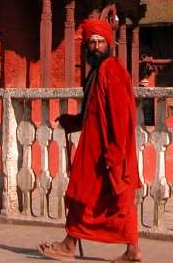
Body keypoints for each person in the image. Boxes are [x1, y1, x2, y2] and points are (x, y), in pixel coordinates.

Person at [38, 17, 141, 262]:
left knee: (119, 199)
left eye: (100, 41)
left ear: (108, 44)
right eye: (92, 42)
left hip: (109, 150)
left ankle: (132, 250)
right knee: (80, 195)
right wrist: (72, 121)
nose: (95, 46)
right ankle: (69, 243)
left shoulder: (113, 70)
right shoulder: (98, 72)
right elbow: (93, 113)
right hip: (93, 150)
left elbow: (120, 115)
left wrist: (114, 153)